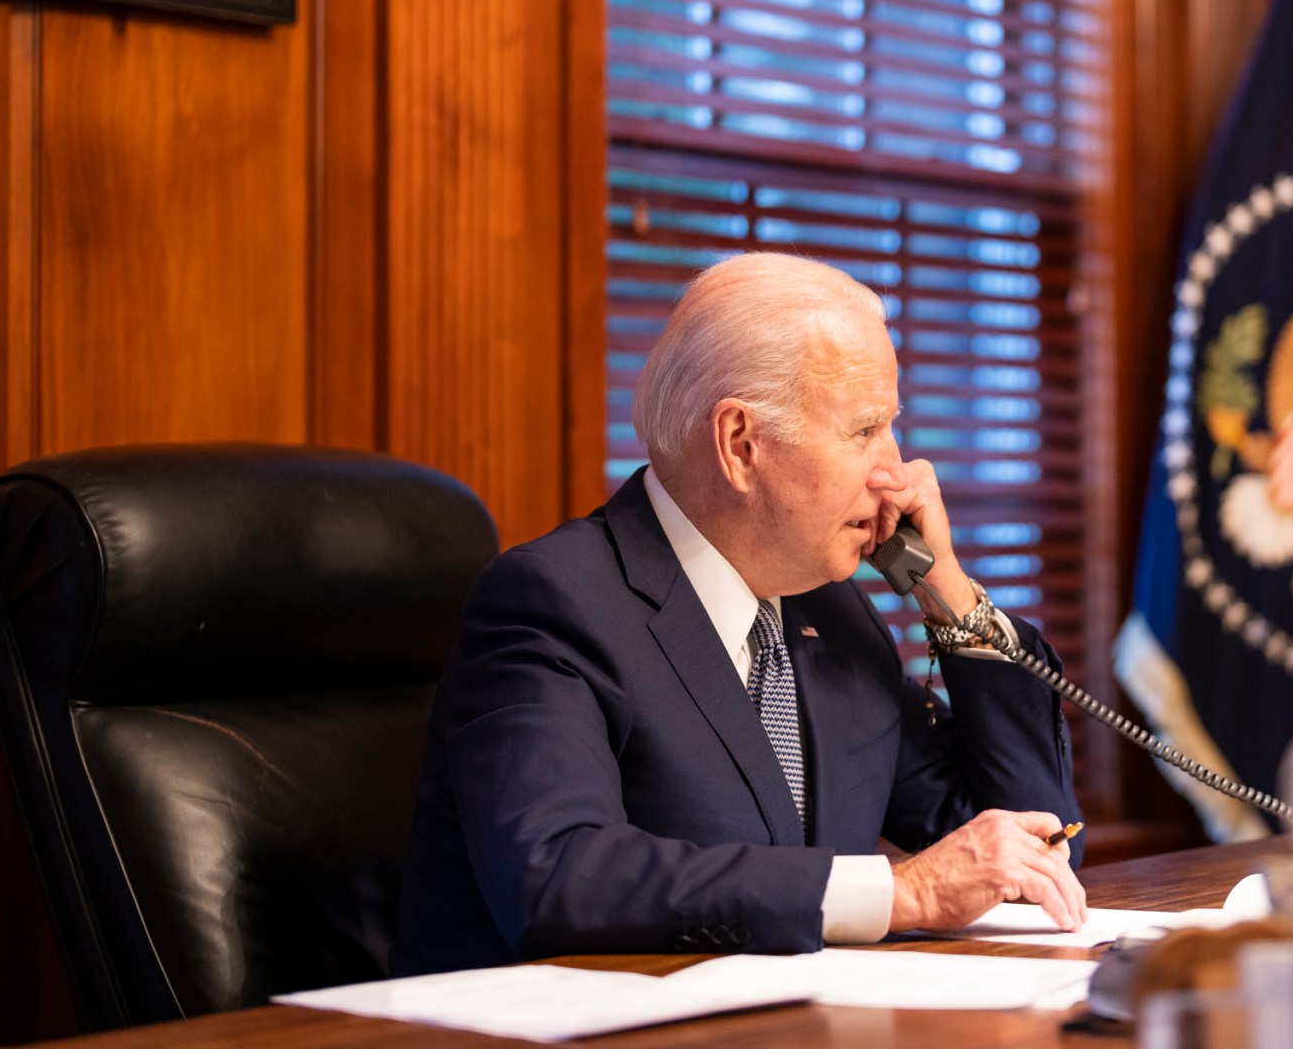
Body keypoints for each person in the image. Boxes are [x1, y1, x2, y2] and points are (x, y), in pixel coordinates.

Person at [392, 253, 1087, 971]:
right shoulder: (553, 602)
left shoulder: (834, 615)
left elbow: (1034, 856)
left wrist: (949, 593)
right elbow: (558, 876)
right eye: (864, 431)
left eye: (892, 427)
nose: (900, 473)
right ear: (740, 445)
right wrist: (900, 893)